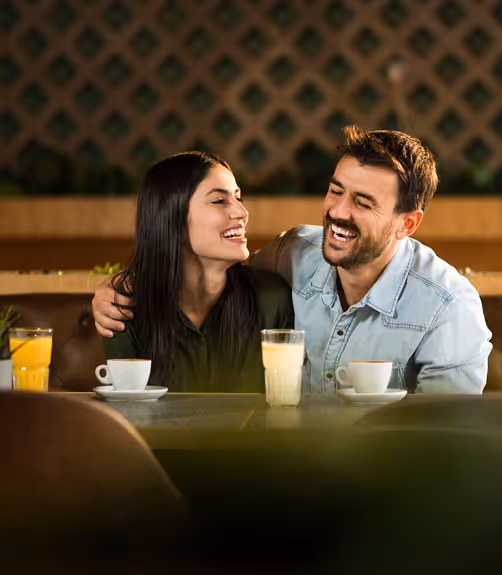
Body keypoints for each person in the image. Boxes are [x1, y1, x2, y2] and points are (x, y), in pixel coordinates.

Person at [93, 126, 492, 394]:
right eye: (336, 191)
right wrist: (115, 288)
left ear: (408, 223)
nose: (338, 211)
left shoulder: (448, 307)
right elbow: (212, 275)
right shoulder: (294, 254)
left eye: (363, 202)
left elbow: (444, 439)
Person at [100, 151, 293, 392]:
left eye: (238, 197)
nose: (242, 213)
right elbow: (127, 412)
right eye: (219, 201)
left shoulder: (272, 299)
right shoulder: (123, 309)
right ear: (173, 219)